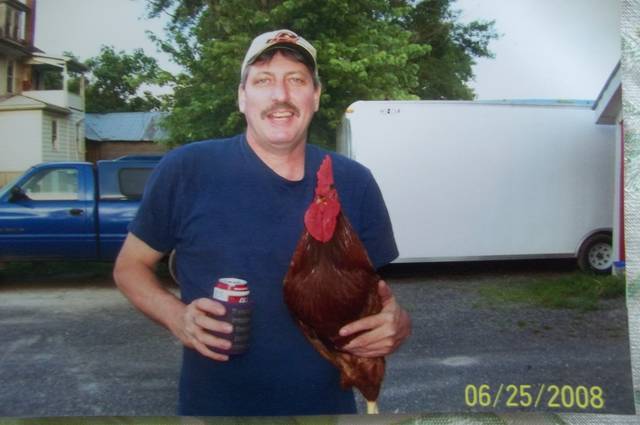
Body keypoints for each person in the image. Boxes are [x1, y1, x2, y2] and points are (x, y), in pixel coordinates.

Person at [113, 29, 411, 416]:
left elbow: (374, 297)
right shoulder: (187, 169)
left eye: (296, 80)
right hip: (212, 412)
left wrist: (397, 324)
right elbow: (129, 267)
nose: (280, 95)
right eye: (263, 80)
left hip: (326, 411)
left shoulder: (355, 182)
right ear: (242, 97)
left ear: (316, 96)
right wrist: (176, 316)